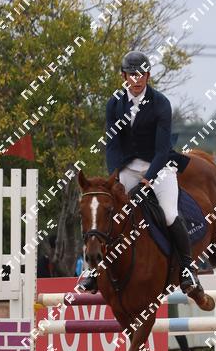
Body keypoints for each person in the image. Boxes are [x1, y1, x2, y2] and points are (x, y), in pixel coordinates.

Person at [79, 51, 204, 300]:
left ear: (148, 75)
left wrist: (151, 177)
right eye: (131, 75)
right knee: (105, 212)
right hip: (127, 167)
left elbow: (162, 149)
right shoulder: (114, 104)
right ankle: (92, 271)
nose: (136, 80)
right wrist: (114, 175)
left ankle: (187, 269)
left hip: (160, 166)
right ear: (123, 76)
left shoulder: (160, 103)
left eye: (141, 74)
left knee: (169, 214)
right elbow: (112, 144)